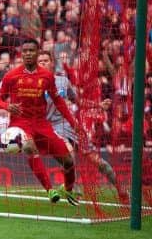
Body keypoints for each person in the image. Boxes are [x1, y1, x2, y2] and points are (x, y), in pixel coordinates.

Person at [0, 38, 80, 205]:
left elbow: (59, 101)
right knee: (29, 147)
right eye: (25, 51)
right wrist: (7, 106)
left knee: (68, 161)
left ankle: (68, 189)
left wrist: (72, 122)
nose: (28, 54)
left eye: (31, 51)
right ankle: (50, 190)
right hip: (20, 123)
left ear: (37, 52)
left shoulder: (47, 76)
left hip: (42, 123)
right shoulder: (12, 75)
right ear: (21, 54)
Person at [36, 50, 129, 203]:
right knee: (69, 155)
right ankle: (71, 188)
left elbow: (78, 101)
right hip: (49, 129)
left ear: (52, 63)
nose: (43, 63)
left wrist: (98, 104)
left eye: (46, 60)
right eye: (40, 61)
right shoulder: (33, 85)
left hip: (71, 126)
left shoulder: (63, 81)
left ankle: (121, 190)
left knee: (100, 163)